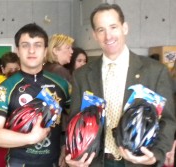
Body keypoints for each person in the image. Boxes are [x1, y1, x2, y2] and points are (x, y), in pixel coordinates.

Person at [66, 3, 176, 167]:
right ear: (95, 35)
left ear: (125, 28)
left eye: (113, 27)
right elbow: (75, 120)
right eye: (101, 30)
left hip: (138, 162)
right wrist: (74, 156)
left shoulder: (155, 72)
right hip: (96, 162)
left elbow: (167, 120)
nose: (108, 36)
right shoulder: (81, 75)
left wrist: (156, 154)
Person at [0, 23, 70, 167]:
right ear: (18, 50)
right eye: (25, 45)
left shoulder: (62, 84)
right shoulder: (5, 88)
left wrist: (65, 147)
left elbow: (75, 116)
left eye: (37, 45)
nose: (31, 50)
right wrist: (30, 138)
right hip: (18, 162)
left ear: (45, 51)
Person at [0, 52, 20, 167]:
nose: (14, 72)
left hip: (18, 135)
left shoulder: (23, 84)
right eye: (10, 69)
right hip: (0, 133)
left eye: (16, 68)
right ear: (3, 69)